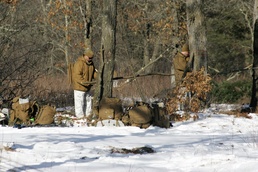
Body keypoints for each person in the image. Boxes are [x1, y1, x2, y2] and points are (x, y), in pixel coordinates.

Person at [72, 48, 97, 119]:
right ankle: (80, 117)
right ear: (85, 56)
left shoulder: (91, 64)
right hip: (79, 87)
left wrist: (99, 77)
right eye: (89, 57)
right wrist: (85, 82)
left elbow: (93, 73)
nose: (90, 59)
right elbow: (77, 76)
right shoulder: (79, 63)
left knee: (88, 102)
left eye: (91, 58)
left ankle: (88, 116)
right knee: (79, 103)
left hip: (88, 87)